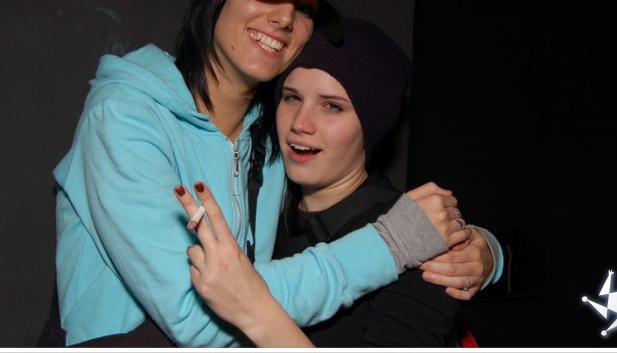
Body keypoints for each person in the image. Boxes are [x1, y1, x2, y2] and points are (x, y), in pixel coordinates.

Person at [53, 0, 501, 347]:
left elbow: (346, 201)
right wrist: (390, 244)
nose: (285, 17)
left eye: (304, 8)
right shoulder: (125, 116)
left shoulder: (272, 142)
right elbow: (193, 317)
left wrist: (487, 252)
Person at [176, 18, 483, 347]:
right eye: (292, 98)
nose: (300, 123)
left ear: (371, 125)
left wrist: (256, 313)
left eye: (332, 106)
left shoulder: (417, 238)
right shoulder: (261, 209)